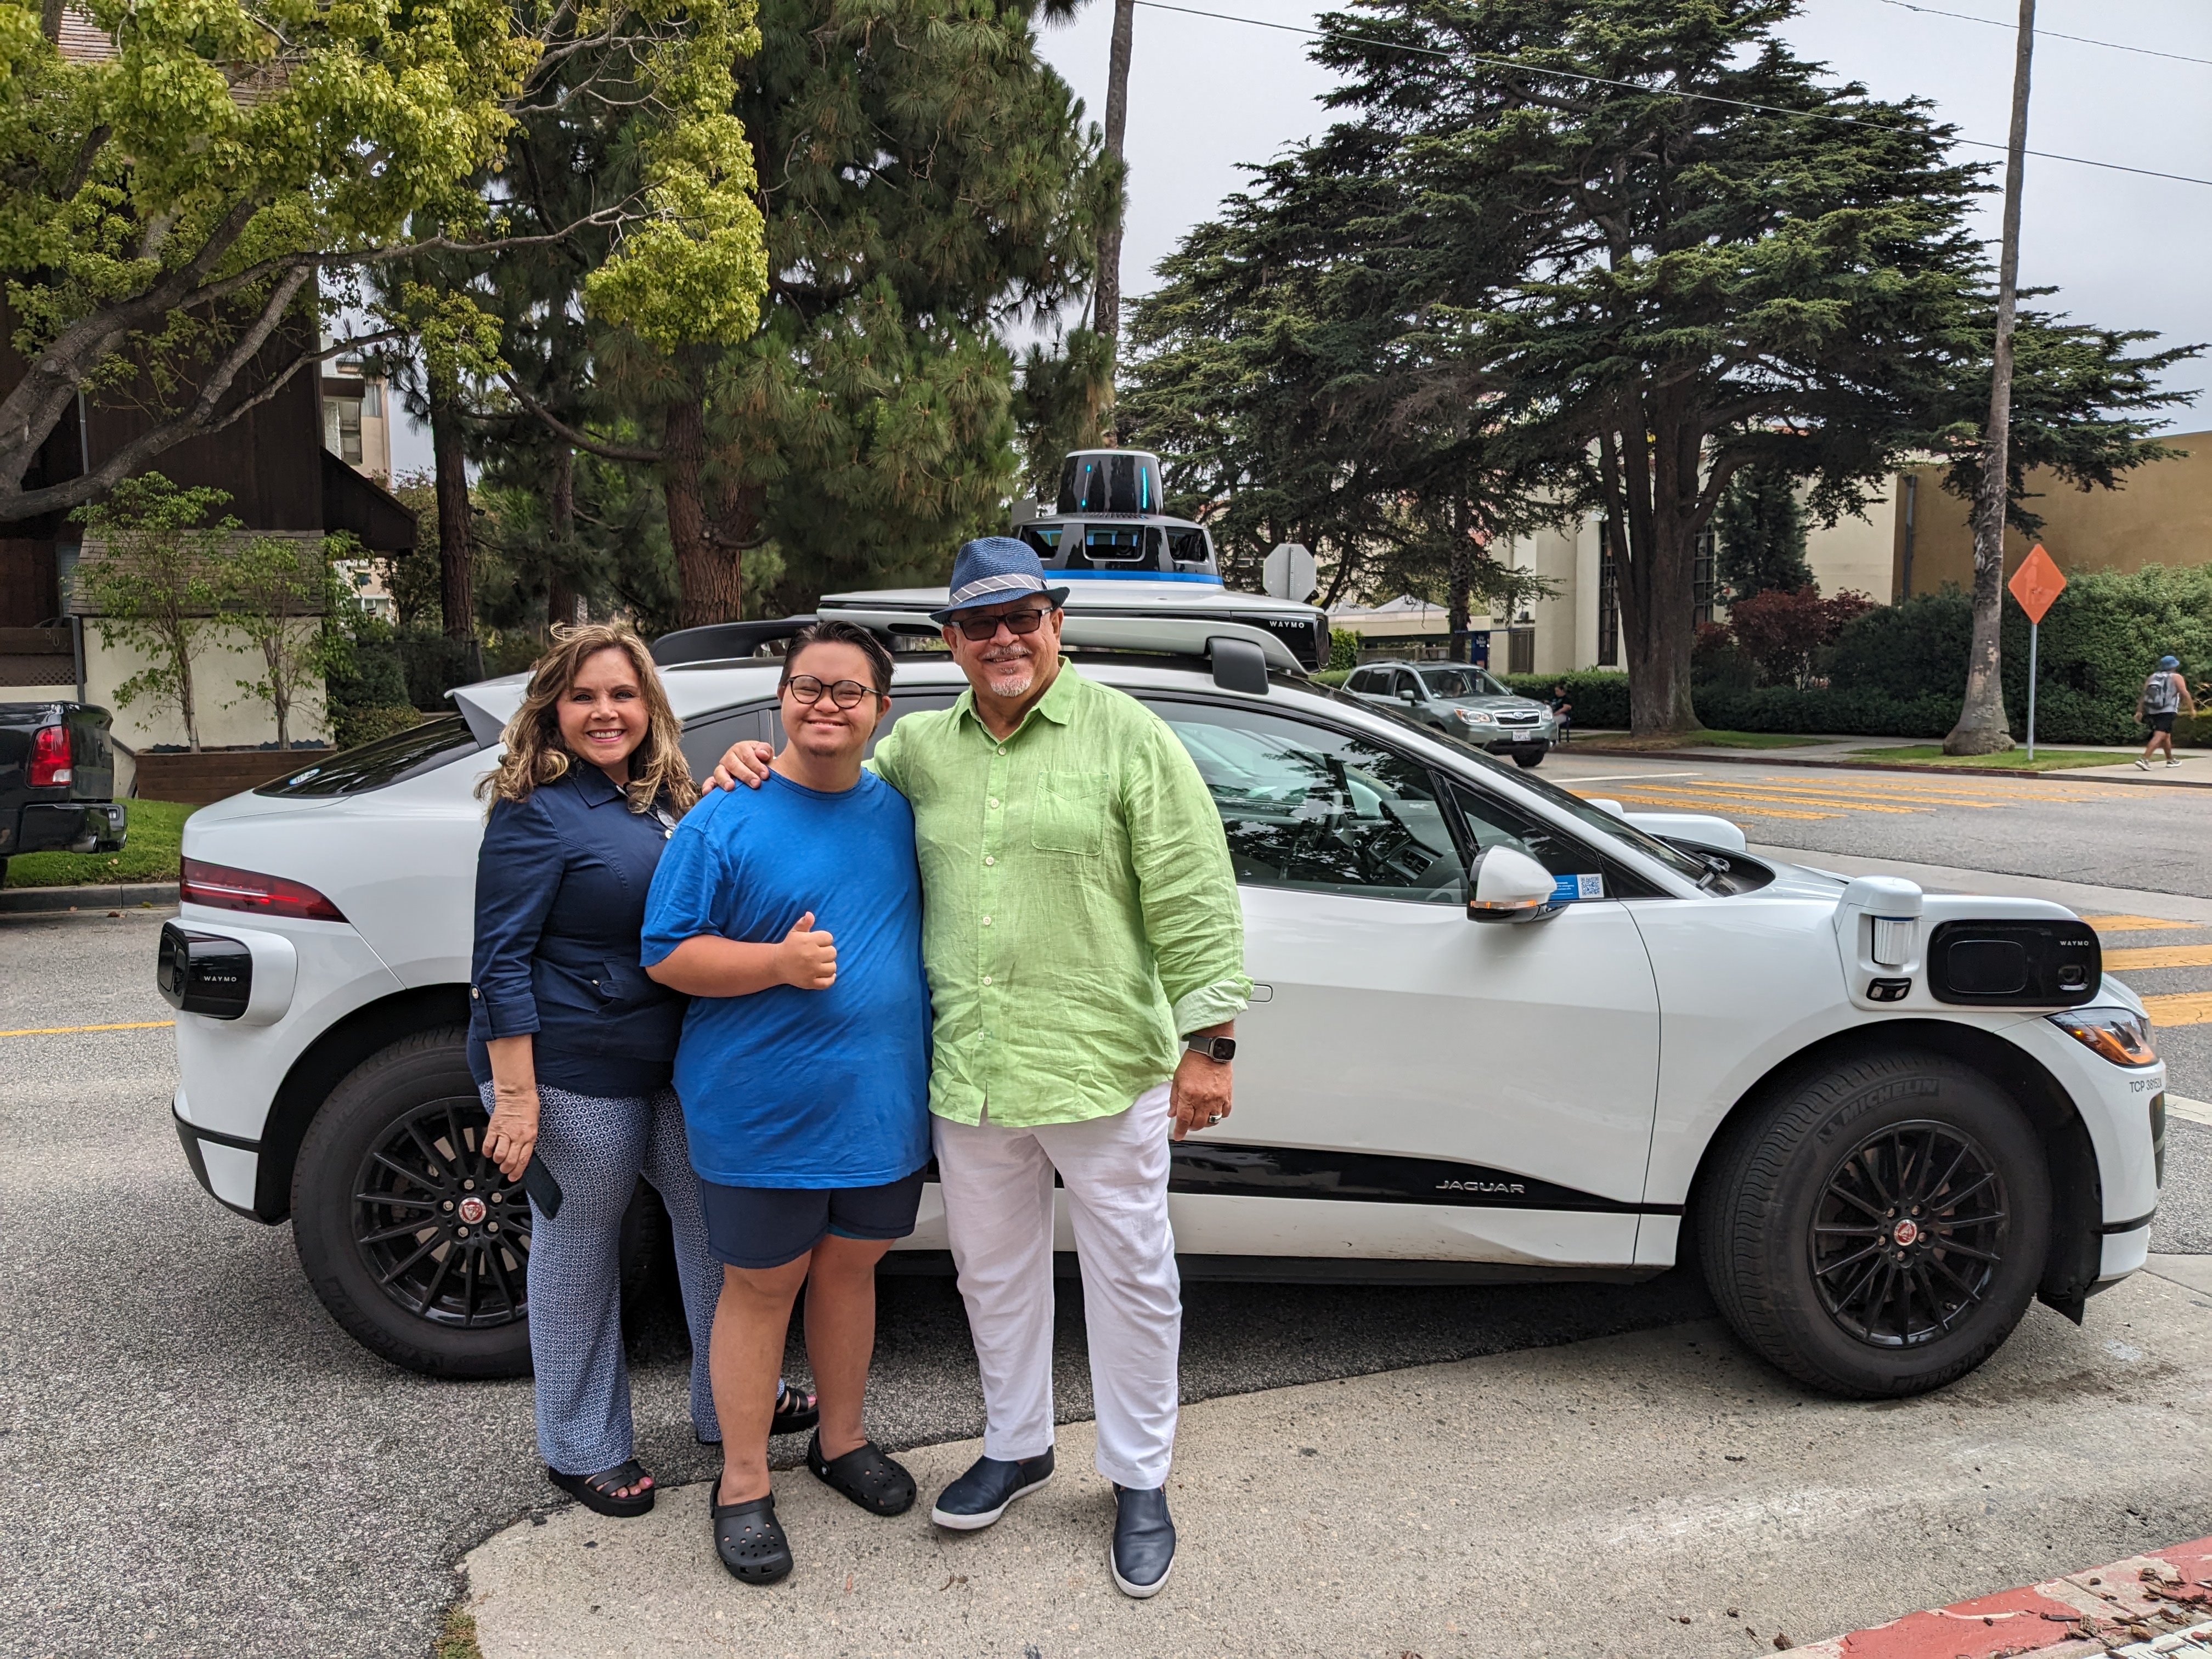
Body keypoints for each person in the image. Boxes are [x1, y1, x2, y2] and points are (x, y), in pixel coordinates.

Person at [713, 539, 1251, 1599]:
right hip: (974, 1071)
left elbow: (1194, 893)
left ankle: (1138, 1474)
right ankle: (1017, 1442)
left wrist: (1211, 1044)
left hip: (1104, 1063)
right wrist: (748, 762)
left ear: (1055, 622)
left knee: (1132, 1274)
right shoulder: (920, 749)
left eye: (1021, 617)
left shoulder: (1127, 737)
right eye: (978, 624)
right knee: (992, 1272)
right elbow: (828, 780)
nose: (1002, 638)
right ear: (951, 642)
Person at [472, 623, 815, 1521]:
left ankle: (730, 1401)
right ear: (551, 706)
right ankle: (580, 1446)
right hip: (571, 1070)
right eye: (584, 695)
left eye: (622, 694)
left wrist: (735, 767)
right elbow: (499, 958)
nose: (604, 711)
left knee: (715, 1221)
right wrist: (515, 1094)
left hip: (668, 1059)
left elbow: (698, 867)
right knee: (579, 1247)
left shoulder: (654, 794)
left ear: (649, 706)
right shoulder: (532, 807)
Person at [642, 620, 933, 1587]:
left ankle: (840, 1440)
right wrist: (774, 963)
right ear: (782, 698)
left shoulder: (900, 809)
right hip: (759, 1106)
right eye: (809, 685)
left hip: (879, 1104)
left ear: (880, 711)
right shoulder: (726, 811)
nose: (826, 704)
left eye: (849, 691)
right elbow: (666, 948)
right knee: (762, 1286)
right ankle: (740, 1480)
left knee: (851, 1271)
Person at [2135, 654, 2195, 769]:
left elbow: (2144, 695)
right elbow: (2184, 693)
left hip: (2152, 710)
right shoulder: (2176, 677)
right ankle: (2144, 759)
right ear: (2174, 666)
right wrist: (2191, 708)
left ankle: (2170, 760)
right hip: (2168, 710)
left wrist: (2139, 711)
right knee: (2160, 735)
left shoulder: (2153, 677)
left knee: (2166, 736)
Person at [1548, 680, 1573, 747]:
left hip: (1564, 716)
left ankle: (1557, 740)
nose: (1556, 693)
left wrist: (1557, 713)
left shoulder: (1566, 698)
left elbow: (1567, 707)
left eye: (1558, 691)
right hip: (1552, 715)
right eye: (1555, 691)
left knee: (1554, 722)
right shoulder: (1554, 698)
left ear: (1562, 691)